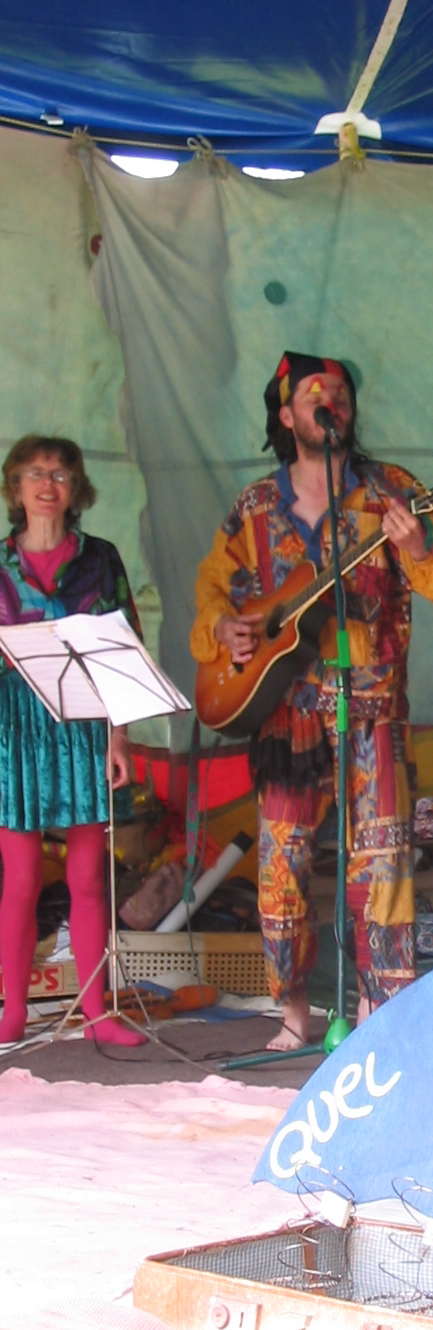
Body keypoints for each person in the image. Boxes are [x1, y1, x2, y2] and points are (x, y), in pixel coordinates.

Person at [191, 352, 433, 1050]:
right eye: (314, 396)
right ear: (287, 415)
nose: (331, 404)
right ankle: (292, 1008)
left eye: (340, 395)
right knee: (280, 870)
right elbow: (213, 593)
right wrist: (225, 627)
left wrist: (419, 543)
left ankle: (383, 1008)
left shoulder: (392, 491)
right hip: (286, 716)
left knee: (384, 863)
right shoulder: (255, 508)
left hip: (373, 709)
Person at [0, 435, 144, 1046]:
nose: (47, 484)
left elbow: (127, 650)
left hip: (86, 723)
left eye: (60, 474)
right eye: (35, 473)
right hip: (14, 729)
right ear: (15, 486)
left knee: (87, 877)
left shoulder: (101, 558)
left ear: (76, 488)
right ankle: (12, 1011)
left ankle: (97, 1015)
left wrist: (120, 737)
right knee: (20, 879)